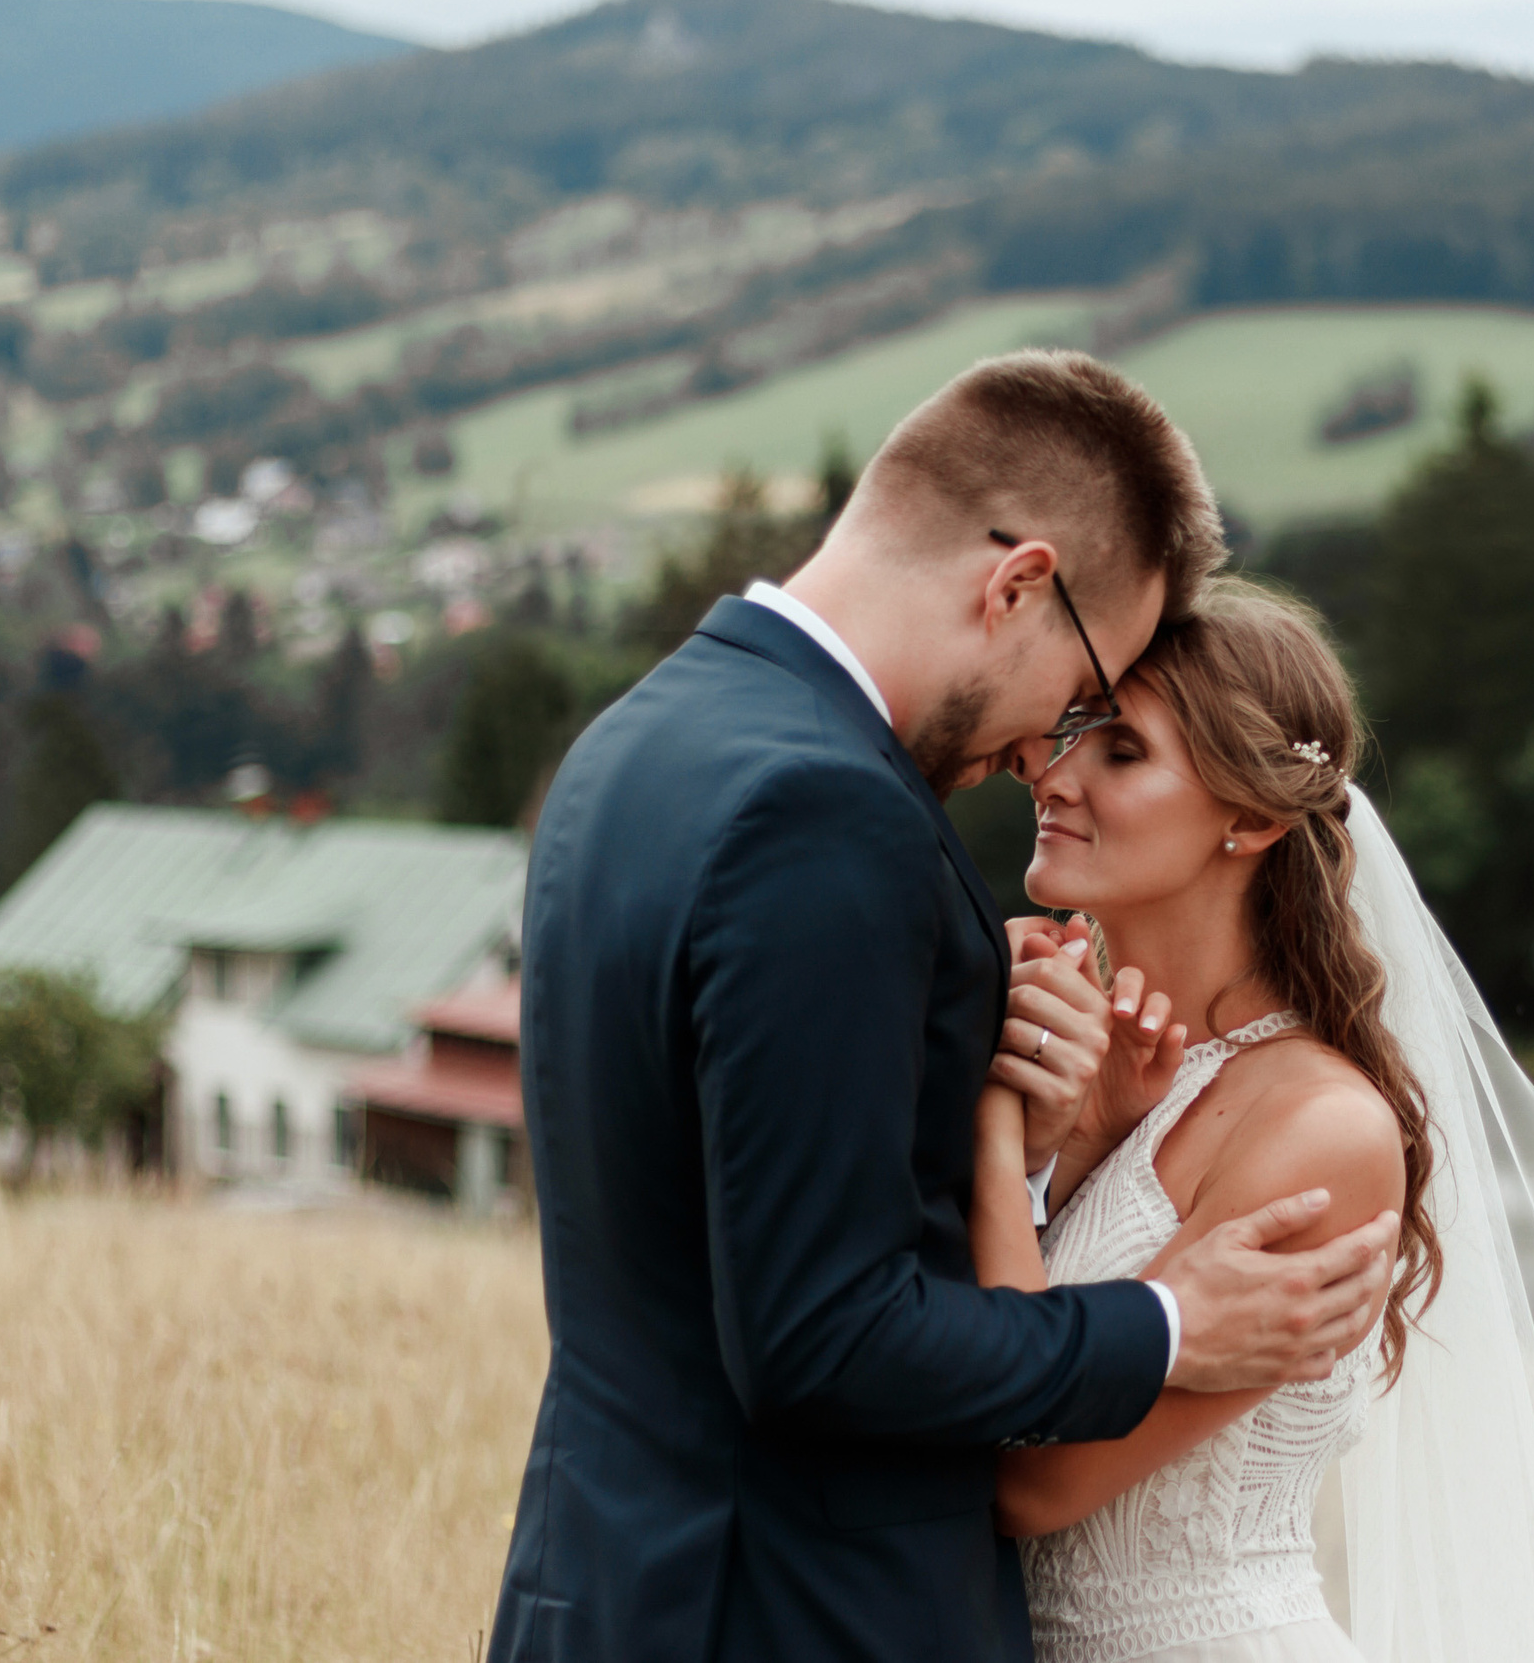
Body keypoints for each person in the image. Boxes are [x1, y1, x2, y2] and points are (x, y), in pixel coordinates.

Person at [488, 353, 1402, 1663]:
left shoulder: (640, 738)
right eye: (1081, 694)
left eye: (1113, 735)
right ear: (1017, 583)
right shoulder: (824, 811)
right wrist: (1167, 1320)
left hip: (611, 1585)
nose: (1046, 751)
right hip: (788, 1615)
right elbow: (818, 1331)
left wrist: (1034, 1148)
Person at [968, 581, 1534, 1663]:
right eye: (1070, 733)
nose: (1053, 773)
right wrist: (1065, 1149)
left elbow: (1026, 1476)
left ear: (1253, 818)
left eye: (1122, 751)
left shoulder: (1322, 1130)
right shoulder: (1116, 1080)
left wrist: (991, 1130)